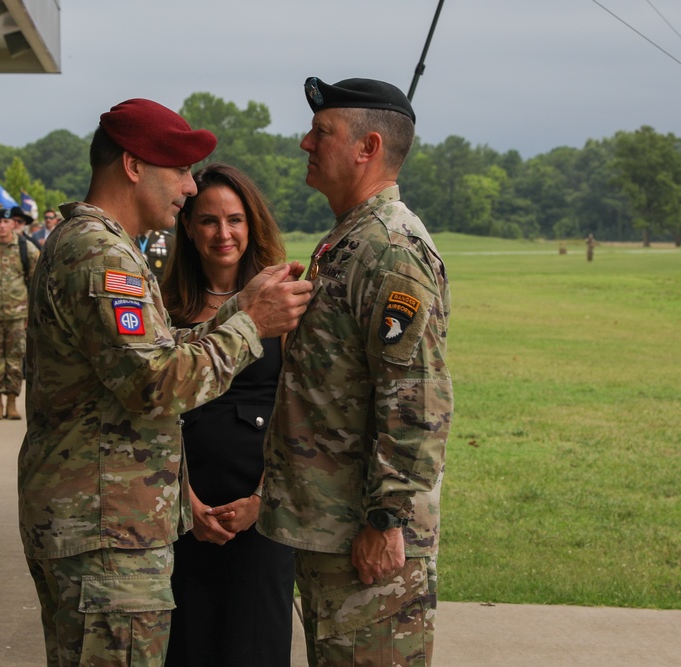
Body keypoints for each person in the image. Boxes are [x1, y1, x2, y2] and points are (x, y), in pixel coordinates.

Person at [18, 98, 312, 666]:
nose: (188, 185)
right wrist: (253, 327)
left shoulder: (99, 246)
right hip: (105, 529)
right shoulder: (102, 255)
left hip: (104, 522)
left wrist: (239, 309)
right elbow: (154, 383)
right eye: (178, 169)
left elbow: (152, 353)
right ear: (133, 166)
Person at [255, 77, 453, 667]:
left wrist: (385, 520)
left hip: (366, 537)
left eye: (322, 133)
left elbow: (416, 399)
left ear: (367, 148)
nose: (304, 143)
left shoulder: (389, 248)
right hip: (331, 527)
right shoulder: (350, 240)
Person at [160, 163, 294, 666]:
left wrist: (262, 498)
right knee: (185, 648)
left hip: (260, 514)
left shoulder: (285, 299)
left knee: (253, 648)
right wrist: (185, 502)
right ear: (189, 228)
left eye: (235, 220)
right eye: (209, 220)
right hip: (180, 510)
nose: (223, 233)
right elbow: (151, 410)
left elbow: (298, 412)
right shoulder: (161, 305)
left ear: (252, 225)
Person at [0, 206, 38, 420]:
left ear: (13, 224)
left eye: (6, 222)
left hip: (18, 312)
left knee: (15, 358)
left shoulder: (26, 248)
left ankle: (12, 401)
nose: (2, 226)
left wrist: (32, 312)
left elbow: (37, 279)